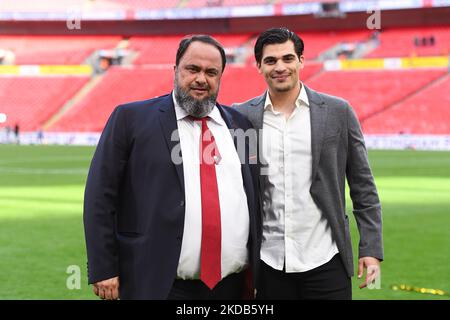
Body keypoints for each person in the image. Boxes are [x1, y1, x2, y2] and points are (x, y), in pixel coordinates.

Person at [84, 35, 260, 300]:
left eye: (211, 72)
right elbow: (100, 196)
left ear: (221, 77)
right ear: (175, 70)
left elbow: (252, 200)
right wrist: (103, 267)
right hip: (160, 286)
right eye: (193, 69)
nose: (202, 78)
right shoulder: (131, 119)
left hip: (231, 287)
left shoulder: (240, 126)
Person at [232, 28, 383, 300]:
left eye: (288, 58)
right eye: (270, 61)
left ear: (301, 61)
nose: (280, 67)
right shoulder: (241, 117)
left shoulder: (338, 112)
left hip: (326, 258)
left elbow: (363, 187)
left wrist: (370, 249)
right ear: (258, 66)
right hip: (268, 263)